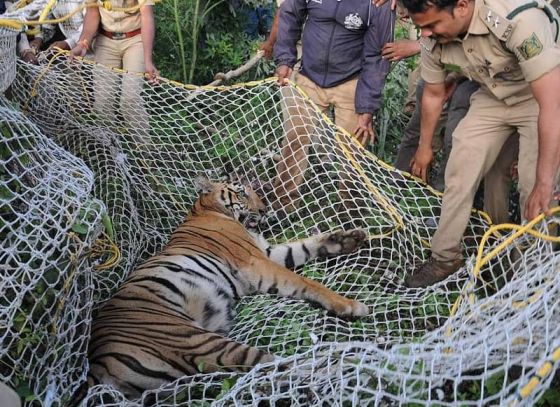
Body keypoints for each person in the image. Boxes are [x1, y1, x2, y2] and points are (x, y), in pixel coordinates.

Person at [399, 0, 560, 288]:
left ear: (461, 6)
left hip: (538, 99)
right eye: (421, 26)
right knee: (461, 164)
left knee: (533, 186)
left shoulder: (518, 20)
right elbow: (434, 95)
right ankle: (444, 257)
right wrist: (424, 148)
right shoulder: (431, 37)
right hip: (492, 95)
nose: (424, 34)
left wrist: (545, 182)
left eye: (432, 24)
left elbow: (553, 105)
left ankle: (535, 268)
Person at [271, 0, 395, 213]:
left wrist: (366, 108)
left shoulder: (378, 3)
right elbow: (289, 14)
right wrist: (284, 60)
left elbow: (377, 56)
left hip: (351, 84)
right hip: (308, 76)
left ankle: (349, 211)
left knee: (352, 152)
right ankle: (282, 206)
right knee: (294, 139)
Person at [70, 0, 158, 140]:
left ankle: (144, 150)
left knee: (130, 99)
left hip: (135, 39)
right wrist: (83, 43)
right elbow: (92, 12)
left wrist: (148, 60)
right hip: (106, 40)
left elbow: (147, 16)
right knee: (103, 102)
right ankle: (110, 151)